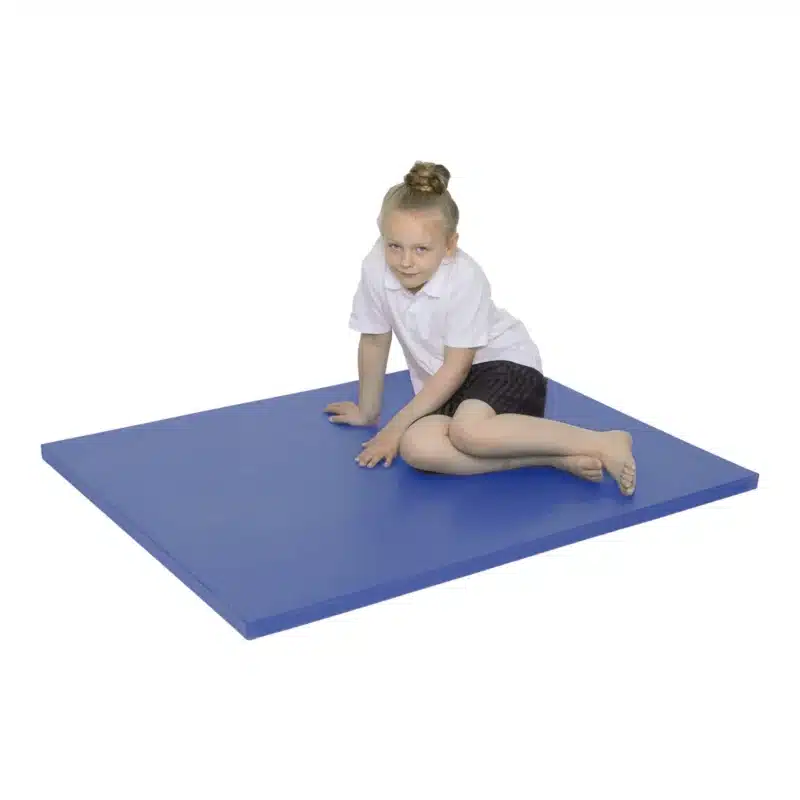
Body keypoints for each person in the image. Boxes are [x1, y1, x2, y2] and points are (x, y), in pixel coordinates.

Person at [324, 161, 636, 495]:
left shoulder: (464, 277)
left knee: (468, 433)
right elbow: (373, 338)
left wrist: (393, 427)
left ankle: (601, 441)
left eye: (421, 249)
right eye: (394, 245)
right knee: (417, 448)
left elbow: (457, 368)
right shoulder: (376, 267)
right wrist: (368, 411)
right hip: (446, 384)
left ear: (449, 244)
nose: (405, 261)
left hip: (503, 367)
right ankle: (551, 457)